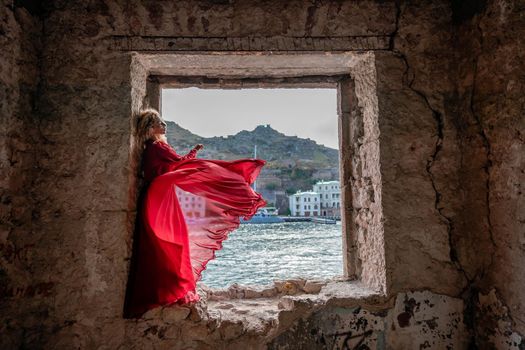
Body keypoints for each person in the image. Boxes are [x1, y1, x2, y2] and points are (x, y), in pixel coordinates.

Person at [124, 109, 266, 318]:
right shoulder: (156, 146)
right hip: (159, 198)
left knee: (164, 243)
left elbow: (172, 166)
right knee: (166, 243)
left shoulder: (153, 147)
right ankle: (168, 289)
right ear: (150, 128)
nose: (164, 126)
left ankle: (169, 288)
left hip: (159, 197)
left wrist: (192, 156)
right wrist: (196, 159)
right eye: (160, 123)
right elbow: (177, 166)